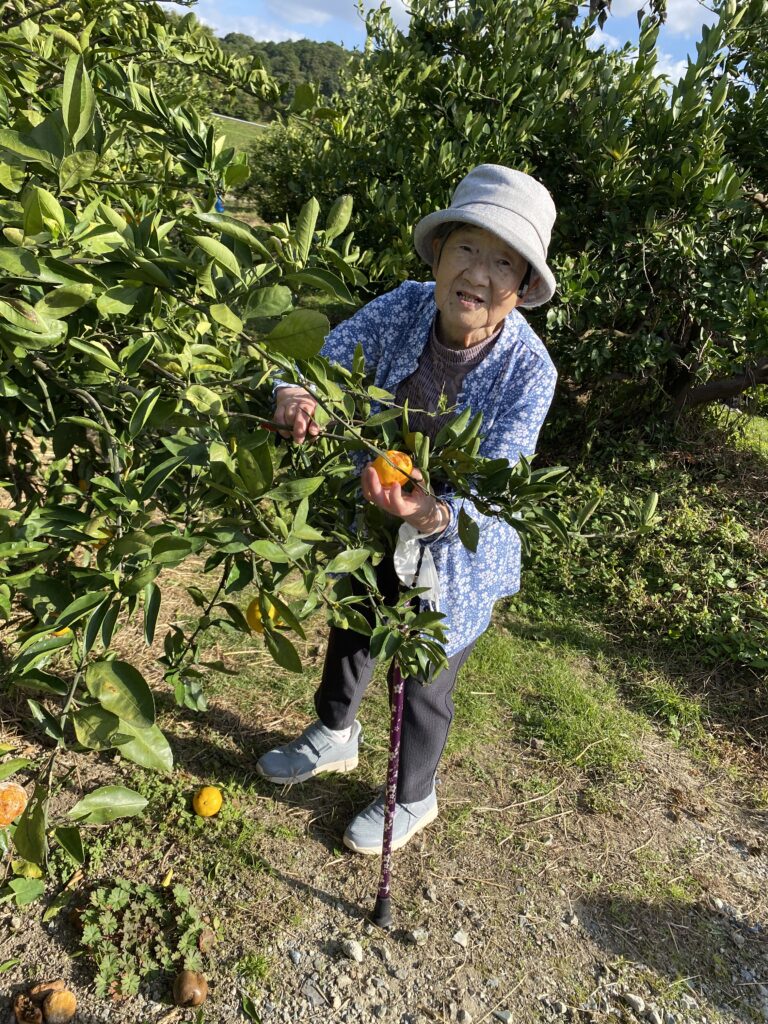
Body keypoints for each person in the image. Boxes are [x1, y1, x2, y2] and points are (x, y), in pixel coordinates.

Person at [257, 164, 558, 856]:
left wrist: (431, 516)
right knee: (355, 622)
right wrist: (296, 392)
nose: (477, 274)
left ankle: (412, 795)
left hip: (461, 539)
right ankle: (335, 734)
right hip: (377, 511)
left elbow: (499, 484)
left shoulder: (529, 371)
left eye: (502, 262)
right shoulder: (406, 305)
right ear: (439, 253)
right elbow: (325, 362)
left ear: (521, 288)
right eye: (467, 249)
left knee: (423, 669)